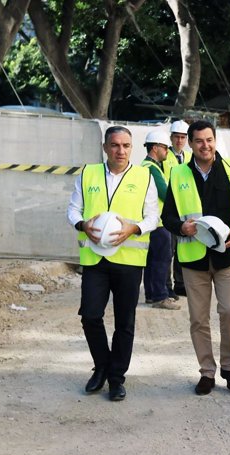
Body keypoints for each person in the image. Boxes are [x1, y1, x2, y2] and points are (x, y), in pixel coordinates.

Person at [161, 120, 230, 393]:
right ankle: (207, 372)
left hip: (227, 254)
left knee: (229, 311)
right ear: (189, 143)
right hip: (194, 259)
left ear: (216, 140)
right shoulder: (178, 174)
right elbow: (167, 216)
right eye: (199, 141)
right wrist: (181, 227)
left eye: (209, 139)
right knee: (199, 319)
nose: (205, 145)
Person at [67, 126, 159, 401]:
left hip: (129, 260)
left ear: (132, 148)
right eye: (115, 145)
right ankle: (102, 366)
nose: (121, 151)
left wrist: (134, 229)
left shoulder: (144, 176)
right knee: (91, 315)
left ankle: (117, 378)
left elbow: (153, 216)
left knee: (124, 322)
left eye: (126, 145)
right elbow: (73, 209)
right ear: (105, 147)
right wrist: (82, 224)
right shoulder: (88, 173)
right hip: (95, 258)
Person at [141, 130, 180, 310]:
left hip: (153, 221)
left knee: (152, 260)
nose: (167, 152)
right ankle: (159, 296)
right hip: (158, 222)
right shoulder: (152, 168)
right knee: (161, 260)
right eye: (165, 148)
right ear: (155, 148)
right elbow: (165, 193)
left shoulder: (147, 166)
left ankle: (151, 294)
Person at [163, 120, 192, 298]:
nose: (179, 141)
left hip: (186, 210)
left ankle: (180, 283)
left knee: (182, 250)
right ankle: (167, 286)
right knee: (168, 252)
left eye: (182, 137)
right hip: (171, 210)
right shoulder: (165, 157)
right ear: (171, 138)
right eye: (177, 137)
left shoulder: (189, 157)